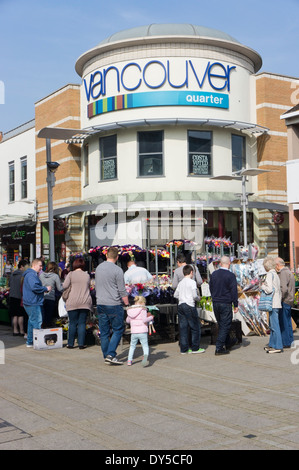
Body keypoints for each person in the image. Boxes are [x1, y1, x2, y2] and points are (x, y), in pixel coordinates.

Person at [95, 246, 129, 365]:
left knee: (104, 332)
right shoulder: (118, 270)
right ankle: (110, 354)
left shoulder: (98, 268)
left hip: (100, 303)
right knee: (118, 329)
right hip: (114, 304)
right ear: (117, 257)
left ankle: (106, 355)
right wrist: (127, 303)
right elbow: (121, 290)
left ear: (106, 255)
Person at [209, 256, 238, 356]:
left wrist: (214, 297)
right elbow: (234, 291)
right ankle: (219, 347)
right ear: (229, 263)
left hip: (216, 302)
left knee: (222, 324)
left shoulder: (214, 274)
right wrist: (236, 304)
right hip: (226, 302)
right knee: (225, 325)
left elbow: (211, 287)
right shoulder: (230, 275)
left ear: (220, 263)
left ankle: (228, 342)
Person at [174, 264, 205, 355]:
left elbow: (175, 295)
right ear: (191, 272)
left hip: (181, 305)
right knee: (195, 327)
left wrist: (182, 297)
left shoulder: (181, 283)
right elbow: (195, 295)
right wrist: (198, 299)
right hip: (189, 305)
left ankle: (184, 349)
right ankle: (195, 347)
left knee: (183, 327)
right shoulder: (192, 282)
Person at [62, 257, 92, 349]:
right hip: (85, 301)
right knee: (82, 323)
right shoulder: (87, 275)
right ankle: (81, 344)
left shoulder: (71, 274)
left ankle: (70, 344)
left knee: (72, 323)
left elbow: (64, 286)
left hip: (73, 302)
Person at [22, 258, 52, 348]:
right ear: (34, 265)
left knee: (31, 322)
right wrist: (45, 289)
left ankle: (30, 342)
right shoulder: (31, 275)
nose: (41, 268)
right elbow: (34, 287)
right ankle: (38, 343)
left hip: (30, 301)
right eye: (40, 265)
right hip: (33, 302)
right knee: (37, 322)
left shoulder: (30, 274)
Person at [262, 256, 282, 353]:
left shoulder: (270, 274)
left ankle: (277, 346)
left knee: (274, 325)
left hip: (272, 303)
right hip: (276, 302)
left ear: (267, 266)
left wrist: (262, 286)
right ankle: (272, 344)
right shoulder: (276, 274)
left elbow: (269, 289)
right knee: (273, 325)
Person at [126, 295, 154, 366]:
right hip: (142, 330)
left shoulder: (130, 310)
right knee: (145, 345)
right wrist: (151, 317)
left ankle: (129, 360)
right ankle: (145, 357)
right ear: (142, 302)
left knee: (132, 346)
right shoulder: (143, 309)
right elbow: (144, 320)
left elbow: (127, 321)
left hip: (134, 331)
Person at [275, 257, 295, 348]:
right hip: (289, 300)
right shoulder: (288, 272)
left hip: (284, 300)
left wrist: (279, 299)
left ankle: (286, 342)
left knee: (284, 323)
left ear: (278, 265)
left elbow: (284, 289)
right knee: (287, 322)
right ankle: (290, 341)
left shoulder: (283, 273)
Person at [8, 259, 29, 336]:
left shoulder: (12, 275)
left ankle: (15, 330)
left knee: (14, 315)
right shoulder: (23, 276)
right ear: (22, 267)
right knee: (21, 315)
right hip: (20, 297)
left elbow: (9, 285)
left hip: (12, 296)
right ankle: (21, 330)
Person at [40, 262, 63, 328]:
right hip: (51, 298)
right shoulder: (55, 276)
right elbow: (60, 288)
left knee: (42, 316)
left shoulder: (41, 275)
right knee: (49, 316)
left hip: (42, 297)